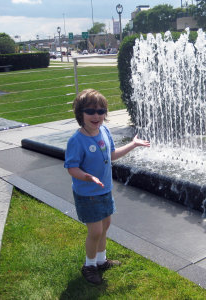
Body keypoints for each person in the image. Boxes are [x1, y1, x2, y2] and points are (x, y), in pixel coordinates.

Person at [64, 89, 150, 285]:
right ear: (80, 114)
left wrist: (133, 144)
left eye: (101, 111)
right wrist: (87, 177)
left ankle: (101, 261)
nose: (97, 116)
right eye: (91, 111)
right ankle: (89, 266)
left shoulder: (104, 131)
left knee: (105, 226)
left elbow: (111, 155)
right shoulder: (77, 140)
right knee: (94, 231)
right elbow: (71, 168)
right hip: (87, 194)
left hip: (104, 190)